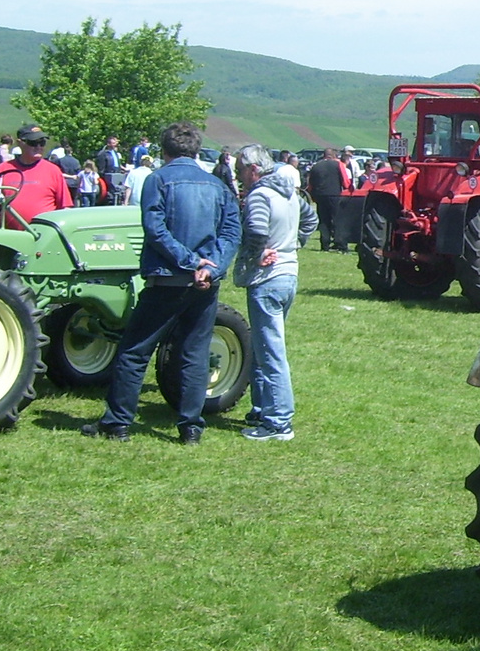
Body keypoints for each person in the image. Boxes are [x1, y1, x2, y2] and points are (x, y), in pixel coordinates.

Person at [82, 123, 241, 444]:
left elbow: (156, 231)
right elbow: (231, 233)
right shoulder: (216, 185)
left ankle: (118, 422)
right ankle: (191, 427)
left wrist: (192, 262)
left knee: (134, 351)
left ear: (164, 150)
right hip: (204, 284)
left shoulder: (158, 180)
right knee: (194, 353)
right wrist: (210, 267)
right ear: (196, 150)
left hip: (168, 279)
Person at [234, 144, 317, 441]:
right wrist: (293, 244)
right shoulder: (290, 193)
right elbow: (311, 220)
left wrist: (257, 255)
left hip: (266, 278)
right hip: (288, 275)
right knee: (261, 347)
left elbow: (256, 231)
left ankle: (279, 421)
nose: (239, 176)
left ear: (253, 169)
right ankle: (261, 409)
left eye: (241, 170)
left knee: (270, 351)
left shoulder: (259, 195)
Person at [0, 124, 72, 226]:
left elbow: (65, 207)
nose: (39, 147)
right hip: (10, 236)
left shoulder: (53, 170)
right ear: (20, 143)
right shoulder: (3, 169)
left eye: (42, 143)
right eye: (33, 143)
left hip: (43, 236)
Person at [305, 147, 351, 251]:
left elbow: (310, 184)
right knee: (338, 219)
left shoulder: (316, 166)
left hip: (320, 195)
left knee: (323, 220)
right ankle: (340, 244)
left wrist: (313, 196)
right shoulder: (338, 164)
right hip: (335, 195)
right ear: (333, 156)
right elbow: (345, 181)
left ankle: (324, 244)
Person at [95, 135, 125, 203]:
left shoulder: (115, 153)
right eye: (113, 143)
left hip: (116, 174)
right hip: (107, 175)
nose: (115, 144)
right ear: (108, 144)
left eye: (115, 143)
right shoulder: (103, 154)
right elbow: (101, 167)